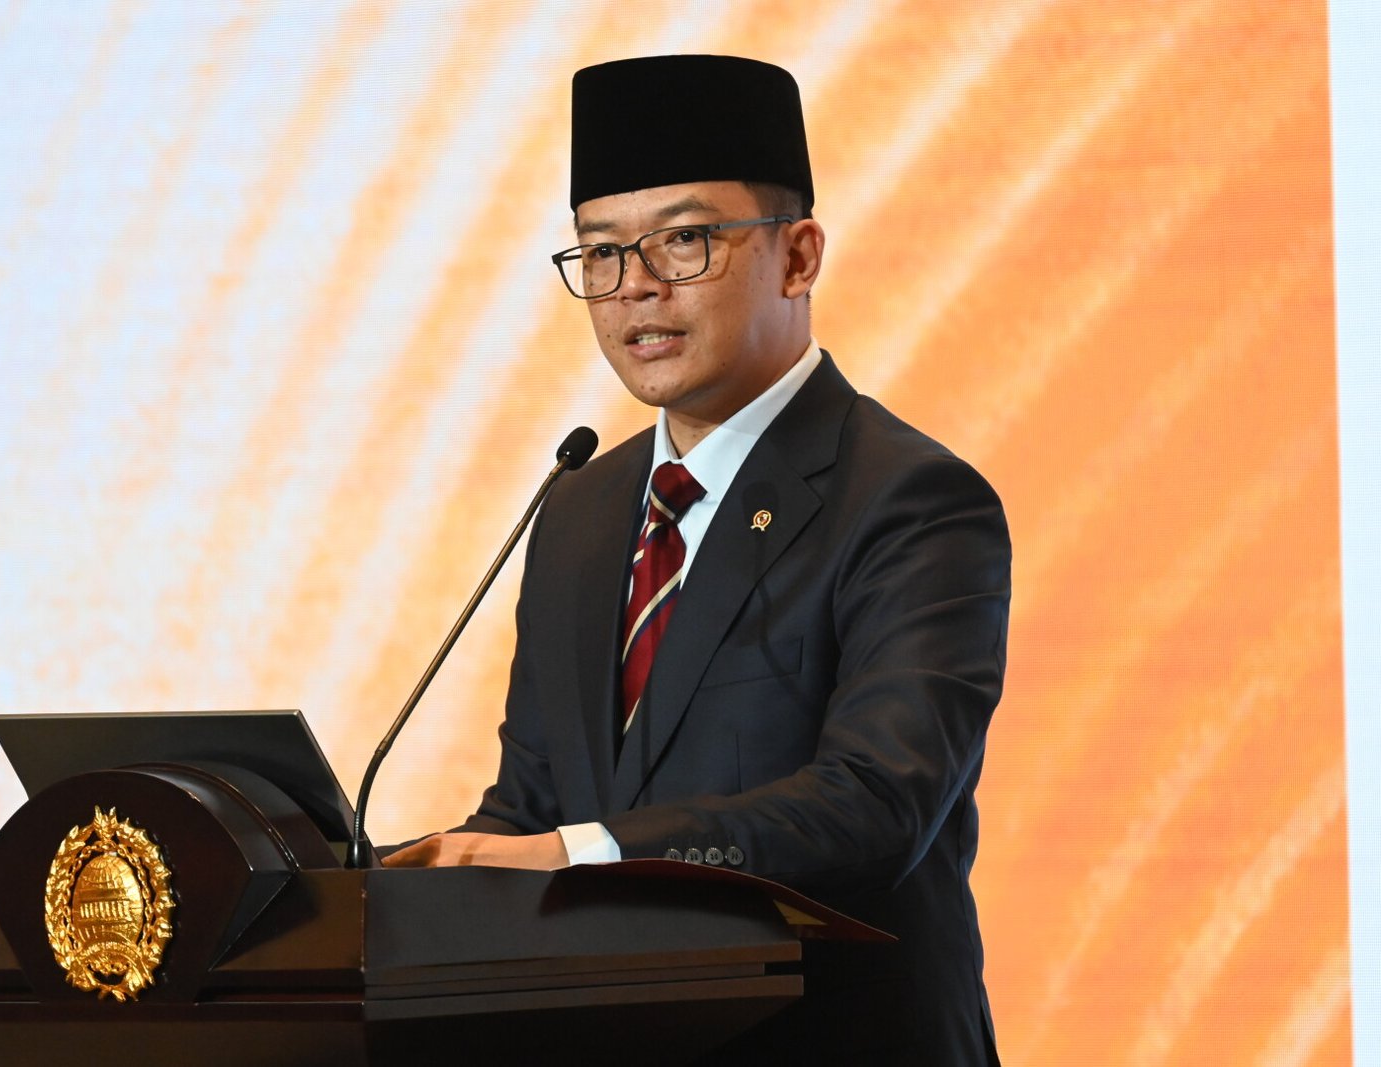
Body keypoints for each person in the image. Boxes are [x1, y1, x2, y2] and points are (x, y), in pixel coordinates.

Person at [385, 54, 1010, 1063]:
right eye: (600, 252)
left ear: (798, 256)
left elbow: (875, 803)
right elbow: (536, 807)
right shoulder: (581, 508)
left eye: (684, 239)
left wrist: (580, 854)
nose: (635, 287)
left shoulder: (909, 501)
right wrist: (391, 881)